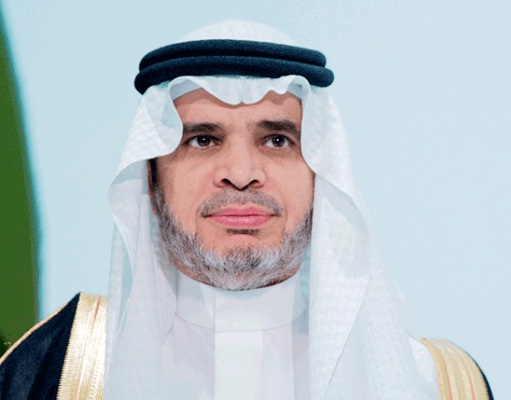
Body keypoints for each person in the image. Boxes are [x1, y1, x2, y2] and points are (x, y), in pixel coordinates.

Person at [0, 20, 492, 400]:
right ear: (150, 178)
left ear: (324, 175)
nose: (240, 173)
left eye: (277, 140)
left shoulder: (442, 385)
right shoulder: (57, 371)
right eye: (202, 139)